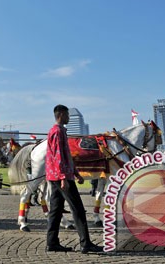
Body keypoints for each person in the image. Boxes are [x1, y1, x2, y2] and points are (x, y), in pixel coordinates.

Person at [45, 105, 103, 254]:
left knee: (56, 210)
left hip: (56, 176)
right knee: (78, 209)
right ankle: (86, 243)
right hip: (61, 177)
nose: (69, 118)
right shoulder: (58, 131)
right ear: (62, 115)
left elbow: (66, 156)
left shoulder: (58, 131)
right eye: (68, 115)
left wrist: (76, 173)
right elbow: (58, 156)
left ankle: (52, 243)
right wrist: (64, 177)